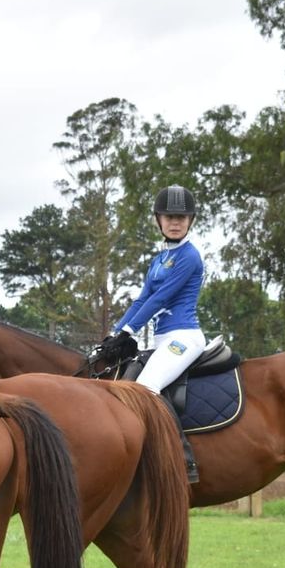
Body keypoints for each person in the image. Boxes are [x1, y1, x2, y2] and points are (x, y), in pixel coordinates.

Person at [103, 183, 205, 482]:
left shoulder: (189, 256)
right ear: (158, 220)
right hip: (162, 340)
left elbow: (161, 300)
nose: (175, 222)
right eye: (169, 217)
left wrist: (130, 331)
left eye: (182, 217)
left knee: (146, 388)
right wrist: (116, 333)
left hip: (184, 338)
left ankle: (182, 461)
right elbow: (142, 299)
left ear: (191, 221)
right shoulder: (158, 260)